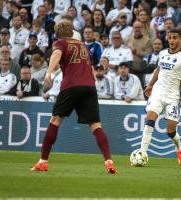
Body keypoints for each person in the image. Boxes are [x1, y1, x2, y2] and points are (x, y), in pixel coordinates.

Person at [30, 19, 117, 174]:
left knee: (55, 120)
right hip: (89, 86)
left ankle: (43, 162)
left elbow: (56, 54)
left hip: (71, 85)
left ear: (57, 34)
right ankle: (109, 162)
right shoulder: (83, 45)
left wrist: (49, 72)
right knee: (96, 125)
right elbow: (90, 67)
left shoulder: (60, 43)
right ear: (72, 32)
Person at [139, 29, 181, 166]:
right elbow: (158, 70)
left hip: (173, 97)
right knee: (150, 121)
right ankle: (143, 153)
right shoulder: (163, 53)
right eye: (170, 38)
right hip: (158, 94)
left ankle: (180, 149)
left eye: (175, 38)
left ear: (180, 40)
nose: (172, 40)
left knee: (170, 131)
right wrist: (150, 85)